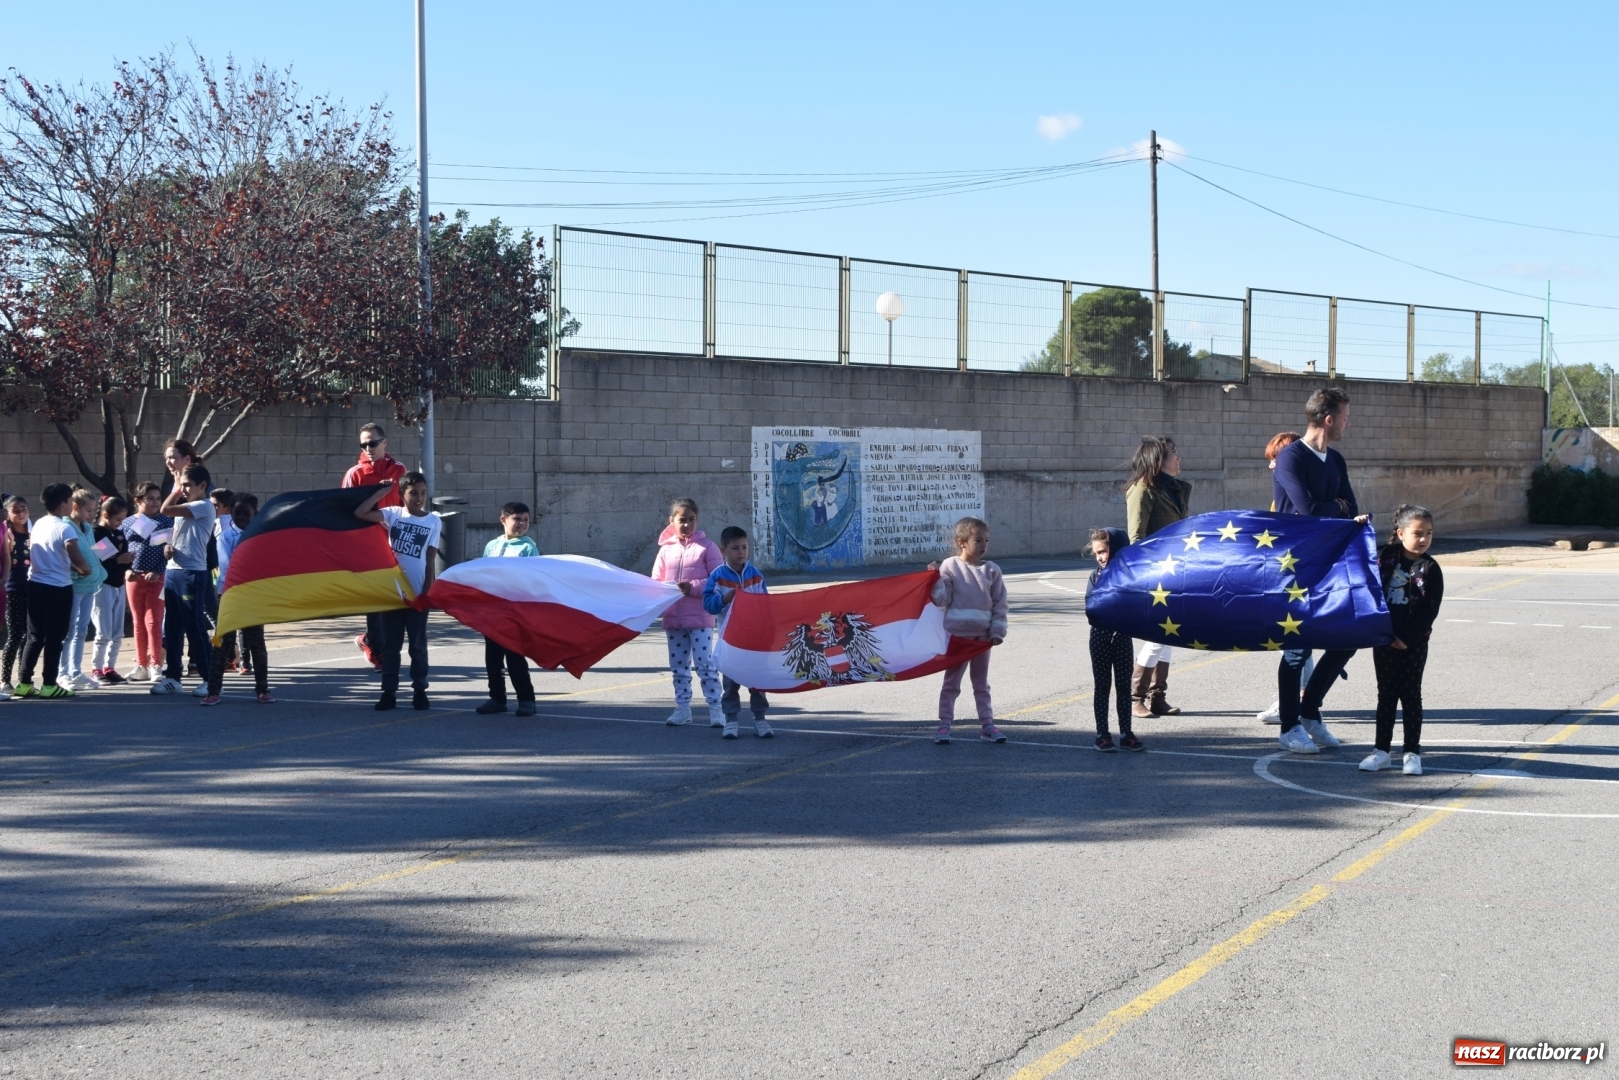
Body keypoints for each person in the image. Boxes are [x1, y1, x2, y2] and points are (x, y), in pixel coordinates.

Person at [1272, 386, 1371, 755]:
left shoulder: (1337, 460)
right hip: (1294, 566)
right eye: (1346, 416)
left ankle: (1310, 713)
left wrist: (1334, 508)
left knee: (1347, 639)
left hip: (1331, 563)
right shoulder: (1290, 458)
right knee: (1297, 649)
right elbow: (1309, 511)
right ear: (1329, 419)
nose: (1349, 422)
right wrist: (1338, 507)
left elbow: (1351, 507)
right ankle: (1289, 725)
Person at [1361, 505, 1444, 777]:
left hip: (1413, 643)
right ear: (1400, 533)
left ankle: (1412, 753)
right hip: (1383, 639)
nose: (1424, 539)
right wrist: (1357, 525)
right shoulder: (1385, 558)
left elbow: (1429, 610)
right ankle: (1381, 751)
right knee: (1386, 695)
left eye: (1429, 534)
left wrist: (1407, 638)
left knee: (1410, 695)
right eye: (1418, 533)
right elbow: (1358, 563)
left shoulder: (1430, 568)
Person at [355, 474, 440, 712]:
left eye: (423, 493)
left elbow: (430, 560)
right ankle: (389, 692)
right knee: (391, 646)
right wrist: (382, 492)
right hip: (392, 595)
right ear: (402, 494)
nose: (419, 498)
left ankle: (420, 690)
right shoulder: (393, 514)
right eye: (413, 493)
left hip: (417, 596)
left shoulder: (433, 521)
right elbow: (360, 513)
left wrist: (426, 594)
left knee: (417, 646)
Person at [1123, 434, 1191, 718]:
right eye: (1174, 453)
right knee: (1158, 635)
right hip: (1156, 574)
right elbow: (1137, 538)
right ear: (1158, 460)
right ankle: (1135, 696)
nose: (1179, 458)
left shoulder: (1174, 489)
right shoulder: (1142, 490)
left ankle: (1157, 696)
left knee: (1169, 634)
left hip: (1177, 571)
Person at [929, 516, 1008, 745]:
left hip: (983, 638)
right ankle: (944, 724)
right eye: (979, 540)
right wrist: (935, 580)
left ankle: (987, 725)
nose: (984, 545)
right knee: (951, 683)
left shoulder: (992, 570)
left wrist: (997, 631)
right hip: (958, 636)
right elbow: (943, 599)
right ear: (962, 542)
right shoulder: (950, 566)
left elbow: (1000, 604)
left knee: (981, 684)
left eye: (986, 540)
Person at [1255, 432, 1316, 725]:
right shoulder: (1282, 498)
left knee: (1295, 636)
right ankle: (1304, 698)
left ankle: (1295, 700)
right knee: (1298, 638)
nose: (1271, 467)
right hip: (1285, 574)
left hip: (1297, 574)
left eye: (1275, 460)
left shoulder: (1299, 498)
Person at [652, 498, 725, 727]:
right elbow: (656, 582)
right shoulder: (665, 551)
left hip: (700, 619)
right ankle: (682, 708)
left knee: (705, 665)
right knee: (679, 667)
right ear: (671, 521)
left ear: (697, 520)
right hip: (674, 619)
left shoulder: (707, 547)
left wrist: (691, 588)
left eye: (691, 520)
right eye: (682, 520)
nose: (687, 525)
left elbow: (718, 580)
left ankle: (716, 709)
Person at [14, 484, 91, 699]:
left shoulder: (39, 523)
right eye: (70, 500)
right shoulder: (64, 527)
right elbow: (75, 554)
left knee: (34, 636)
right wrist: (85, 568)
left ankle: (24, 682)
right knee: (55, 638)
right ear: (63, 504)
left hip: (35, 584)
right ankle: (49, 684)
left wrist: (71, 566)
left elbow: (49, 555)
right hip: (58, 588)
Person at [343, 423, 409, 669]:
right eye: (363, 444)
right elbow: (347, 511)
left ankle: (372, 640)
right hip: (368, 545)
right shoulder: (355, 473)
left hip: (395, 543)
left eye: (372, 443)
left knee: (393, 598)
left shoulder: (399, 470)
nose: (368, 448)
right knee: (375, 599)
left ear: (384, 442)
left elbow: (407, 503)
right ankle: (376, 648)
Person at [701, 525, 773, 739]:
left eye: (744, 547)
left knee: (757, 682)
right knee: (731, 683)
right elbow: (708, 605)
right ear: (723, 551)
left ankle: (760, 719)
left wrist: (768, 633)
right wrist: (725, 598)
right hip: (730, 641)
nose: (741, 552)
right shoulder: (717, 576)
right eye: (735, 548)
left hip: (753, 641)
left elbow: (766, 606)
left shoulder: (756, 576)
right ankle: (731, 720)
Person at [151, 464, 216, 696]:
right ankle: (173, 677)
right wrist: (169, 547)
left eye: (189, 485)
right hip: (174, 571)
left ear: (202, 486)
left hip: (192, 573)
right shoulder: (188, 509)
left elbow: (165, 509)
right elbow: (180, 534)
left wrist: (175, 489)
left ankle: (210, 678)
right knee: (173, 626)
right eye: (183, 485)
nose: (185, 489)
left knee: (194, 625)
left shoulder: (203, 506)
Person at [203, 495, 272, 705]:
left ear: (255, 514)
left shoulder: (261, 536)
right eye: (237, 513)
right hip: (231, 594)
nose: (241, 518)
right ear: (231, 514)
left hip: (253, 595)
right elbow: (227, 570)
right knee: (222, 643)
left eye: (246, 514)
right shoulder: (226, 537)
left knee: (257, 643)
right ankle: (213, 690)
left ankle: (262, 688)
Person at [476, 501, 538, 715]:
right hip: (493, 611)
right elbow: (483, 573)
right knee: (492, 657)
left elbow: (534, 578)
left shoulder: (528, 547)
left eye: (525, 520)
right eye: (517, 519)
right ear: (503, 520)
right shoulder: (492, 546)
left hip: (514, 612)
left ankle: (526, 699)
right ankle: (497, 697)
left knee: (514, 656)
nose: (521, 524)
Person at [1086, 527, 1142, 752]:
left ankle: (1126, 733)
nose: (1100, 557)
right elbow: (1091, 608)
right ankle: (1102, 734)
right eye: (1097, 553)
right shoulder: (1095, 576)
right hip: (1100, 635)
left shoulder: (1129, 576)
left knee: (1122, 686)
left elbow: (1135, 606)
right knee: (1102, 686)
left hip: (1123, 637)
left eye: (1104, 551)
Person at [57, 489, 108, 690]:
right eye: (88, 510)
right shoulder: (65, 526)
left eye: (93, 510)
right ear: (75, 507)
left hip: (90, 584)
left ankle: (76, 671)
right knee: (69, 630)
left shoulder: (87, 527)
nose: (91, 514)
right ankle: (63, 673)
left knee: (82, 630)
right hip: (74, 584)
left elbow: (96, 552)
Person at [122, 482, 171, 682]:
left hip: (157, 578)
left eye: (158, 498)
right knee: (138, 622)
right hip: (134, 578)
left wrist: (158, 571)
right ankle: (141, 665)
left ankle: (155, 664)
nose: (155, 502)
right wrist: (124, 570)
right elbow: (118, 549)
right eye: (150, 498)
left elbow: (169, 551)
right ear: (138, 501)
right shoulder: (127, 523)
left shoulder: (166, 522)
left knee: (153, 621)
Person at [89, 496, 134, 685]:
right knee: (103, 630)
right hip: (103, 585)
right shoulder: (97, 532)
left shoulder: (118, 533)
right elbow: (103, 561)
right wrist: (120, 560)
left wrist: (127, 565)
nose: (120, 524)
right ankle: (96, 668)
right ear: (106, 515)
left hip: (118, 585)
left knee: (117, 631)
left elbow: (121, 558)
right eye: (118, 520)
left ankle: (110, 667)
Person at [1, 496, 30, 696]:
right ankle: (5, 679)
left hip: (32, 588)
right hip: (13, 588)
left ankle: (23, 678)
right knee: (15, 634)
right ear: (8, 514)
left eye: (24, 509)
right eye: (16, 510)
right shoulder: (7, 534)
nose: (21, 514)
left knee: (29, 636)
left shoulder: (32, 533)